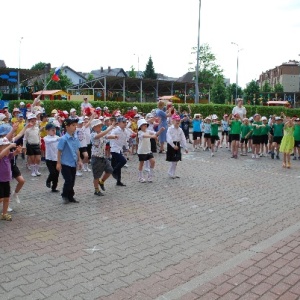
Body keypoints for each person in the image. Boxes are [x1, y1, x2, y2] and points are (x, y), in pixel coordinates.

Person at [56, 118, 82, 204]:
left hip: (73, 163)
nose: (75, 127)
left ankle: (71, 196)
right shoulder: (63, 139)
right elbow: (59, 151)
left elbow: (77, 149)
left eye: (75, 125)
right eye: (73, 125)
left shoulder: (75, 137)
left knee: (72, 180)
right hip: (65, 163)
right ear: (67, 127)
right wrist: (58, 163)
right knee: (68, 180)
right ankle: (64, 195)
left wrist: (79, 160)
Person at [90, 119, 116, 196]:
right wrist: (110, 128)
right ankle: (96, 190)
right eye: (98, 126)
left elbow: (107, 136)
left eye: (100, 126)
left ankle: (101, 182)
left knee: (110, 170)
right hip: (96, 157)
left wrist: (114, 136)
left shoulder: (102, 133)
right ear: (94, 127)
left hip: (103, 157)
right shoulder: (93, 134)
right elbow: (100, 135)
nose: (100, 127)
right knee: (96, 175)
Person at [0, 137, 22, 221]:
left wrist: (18, 150)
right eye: (4, 147)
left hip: (6, 180)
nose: (7, 149)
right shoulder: (1, 156)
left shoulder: (8, 156)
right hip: (0, 181)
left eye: (7, 147)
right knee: (1, 198)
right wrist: (9, 147)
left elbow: (14, 153)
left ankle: (4, 214)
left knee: (6, 198)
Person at [137, 118, 164, 183]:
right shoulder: (140, 133)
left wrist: (160, 130)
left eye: (146, 124)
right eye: (143, 125)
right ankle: (140, 177)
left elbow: (155, 134)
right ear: (140, 126)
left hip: (148, 150)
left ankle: (150, 175)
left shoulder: (148, 131)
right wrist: (152, 136)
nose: (145, 126)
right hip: (142, 151)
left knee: (153, 161)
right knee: (141, 163)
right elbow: (145, 136)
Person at [166, 114, 188, 178]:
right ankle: (170, 173)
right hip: (171, 145)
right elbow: (169, 138)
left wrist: (185, 147)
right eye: (176, 120)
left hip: (177, 144)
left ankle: (172, 172)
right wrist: (173, 146)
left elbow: (183, 139)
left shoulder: (180, 130)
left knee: (176, 160)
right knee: (173, 160)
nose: (177, 122)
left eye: (178, 121)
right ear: (173, 121)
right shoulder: (170, 129)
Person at [109, 116, 128, 186]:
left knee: (119, 166)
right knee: (123, 161)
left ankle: (118, 181)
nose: (125, 123)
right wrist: (114, 136)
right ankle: (113, 171)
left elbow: (125, 140)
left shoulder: (125, 131)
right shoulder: (116, 130)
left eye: (125, 122)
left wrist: (127, 148)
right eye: (123, 122)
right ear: (119, 123)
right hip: (114, 149)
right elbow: (110, 135)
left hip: (119, 149)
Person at [44, 123, 60, 193]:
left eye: (55, 130)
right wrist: (58, 139)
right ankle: (48, 180)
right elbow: (50, 141)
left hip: (56, 159)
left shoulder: (57, 137)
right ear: (47, 131)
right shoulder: (46, 138)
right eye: (52, 130)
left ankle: (54, 187)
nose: (54, 131)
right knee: (52, 173)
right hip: (49, 159)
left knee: (57, 174)